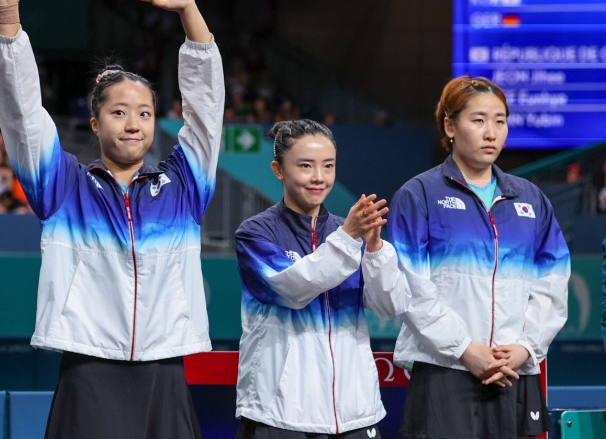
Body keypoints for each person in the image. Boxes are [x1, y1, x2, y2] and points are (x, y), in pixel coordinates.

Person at [0, 0, 224, 438]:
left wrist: (190, 15)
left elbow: (206, 113)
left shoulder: (185, 189)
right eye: (118, 112)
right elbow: (23, 115)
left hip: (165, 365)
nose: (133, 123)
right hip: (89, 365)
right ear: (95, 123)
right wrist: (8, 18)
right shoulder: (62, 186)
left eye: (145, 114)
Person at [387, 76, 571, 439]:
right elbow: (409, 285)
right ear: (450, 126)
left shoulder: (530, 199)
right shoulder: (419, 194)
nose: (491, 132)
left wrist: (524, 347)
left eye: (500, 120)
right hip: (445, 370)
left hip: (513, 371)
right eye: (478, 120)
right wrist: (465, 349)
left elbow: (553, 282)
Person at [234, 119, 410, 438]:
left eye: (328, 166)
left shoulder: (349, 232)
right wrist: (348, 238)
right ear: (278, 169)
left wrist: (374, 248)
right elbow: (292, 290)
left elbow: (390, 306)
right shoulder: (255, 233)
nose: (319, 177)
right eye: (305, 165)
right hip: (279, 413)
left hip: (354, 412)